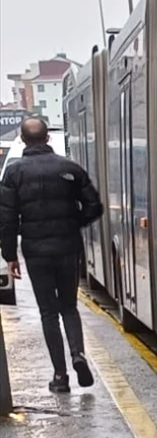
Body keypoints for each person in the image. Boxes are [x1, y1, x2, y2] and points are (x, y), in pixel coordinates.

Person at [0, 117, 104, 393]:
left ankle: (60, 375)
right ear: (48, 139)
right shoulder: (69, 168)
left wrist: (10, 255)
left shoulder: (13, 172)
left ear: (22, 140)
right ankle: (78, 354)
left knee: (48, 312)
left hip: (35, 251)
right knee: (69, 306)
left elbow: (7, 219)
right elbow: (94, 206)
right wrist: (73, 222)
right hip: (68, 246)